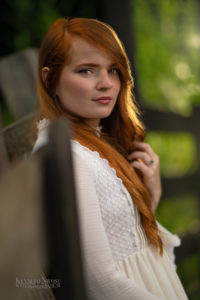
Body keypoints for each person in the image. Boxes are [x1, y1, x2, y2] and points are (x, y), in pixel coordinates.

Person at [33, 17, 188, 299]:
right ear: (49, 79)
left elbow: (130, 246)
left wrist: (149, 196)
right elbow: (99, 282)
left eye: (113, 70)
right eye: (87, 71)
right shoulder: (70, 156)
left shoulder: (95, 141)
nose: (106, 83)